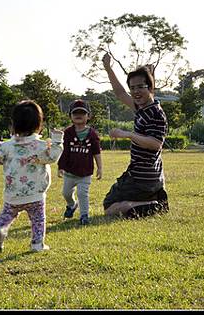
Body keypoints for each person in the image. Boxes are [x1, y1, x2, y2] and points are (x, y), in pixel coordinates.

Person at [0, 100, 64, 253]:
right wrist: (57, 140)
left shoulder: (7, 146)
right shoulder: (41, 146)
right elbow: (53, 156)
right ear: (38, 124)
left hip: (12, 194)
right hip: (35, 195)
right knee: (38, 220)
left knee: (7, 216)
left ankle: (0, 230)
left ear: (14, 124)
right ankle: (37, 244)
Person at [101, 52, 169, 218]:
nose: (135, 92)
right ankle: (153, 200)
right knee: (110, 203)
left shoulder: (155, 113)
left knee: (110, 208)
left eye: (140, 87)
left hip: (144, 178)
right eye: (133, 88)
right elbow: (120, 94)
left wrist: (128, 134)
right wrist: (108, 68)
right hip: (141, 174)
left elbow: (155, 144)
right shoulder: (142, 108)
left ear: (150, 87)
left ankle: (156, 205)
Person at [57, 99, 103, 226]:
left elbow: (96, 152)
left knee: (82, 193)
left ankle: (84, 215)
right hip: (69, 172)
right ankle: (72, 205)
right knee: (66, 193)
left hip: (85, 173)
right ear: (70, 116)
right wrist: (60, 167)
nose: (79, 115)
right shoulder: (67, 133)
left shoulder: (92, 134)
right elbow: (64, 151)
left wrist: (100, 167)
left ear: (88, 116)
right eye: (75, 113)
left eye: (82, 113)